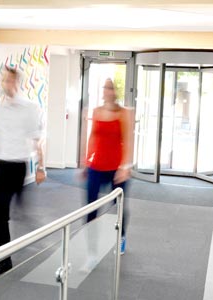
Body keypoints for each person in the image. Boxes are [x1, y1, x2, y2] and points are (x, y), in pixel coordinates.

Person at [0, 67, 45, 277]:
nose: (5, 84)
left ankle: (26, 224)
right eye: (3, 81)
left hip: (18, 166)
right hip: (0, 165)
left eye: (9, 81)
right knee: (0, 215)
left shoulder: (29, 108)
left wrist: (41, 167)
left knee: (18, 211)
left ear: (16, 82)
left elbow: (36, 140)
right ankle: (4, 260)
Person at [83, 78, 133, 261]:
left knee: (119, 206)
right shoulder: (96, 111)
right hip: (96, 166)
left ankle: (121, 237)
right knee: (90, 206)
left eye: (109, 88)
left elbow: (128, 140)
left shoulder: (123, 113)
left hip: (116, 168)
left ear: (114, 91)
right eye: (104, 87)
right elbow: (93, 137)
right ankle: (91, 248)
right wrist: (86, 160)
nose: (106, 91)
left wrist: (124, 167)